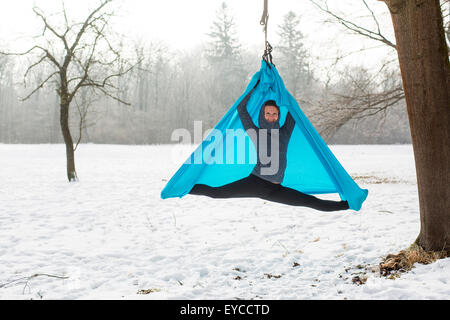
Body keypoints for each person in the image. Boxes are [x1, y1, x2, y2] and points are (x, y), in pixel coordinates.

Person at [189, 86, 349, 212]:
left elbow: (294, 109)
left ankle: (348, 205)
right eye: (267, 113)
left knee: (310, 201)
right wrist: (254, 88)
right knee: (218, 193)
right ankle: (183, 187)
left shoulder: (284, 132)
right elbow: (241, 109)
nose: (271, 116)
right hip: (256, 183)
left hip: (275, 189)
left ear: (279, 115)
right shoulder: (255, 132)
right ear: (262, 115)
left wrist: (280, 88)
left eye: (274, 113)